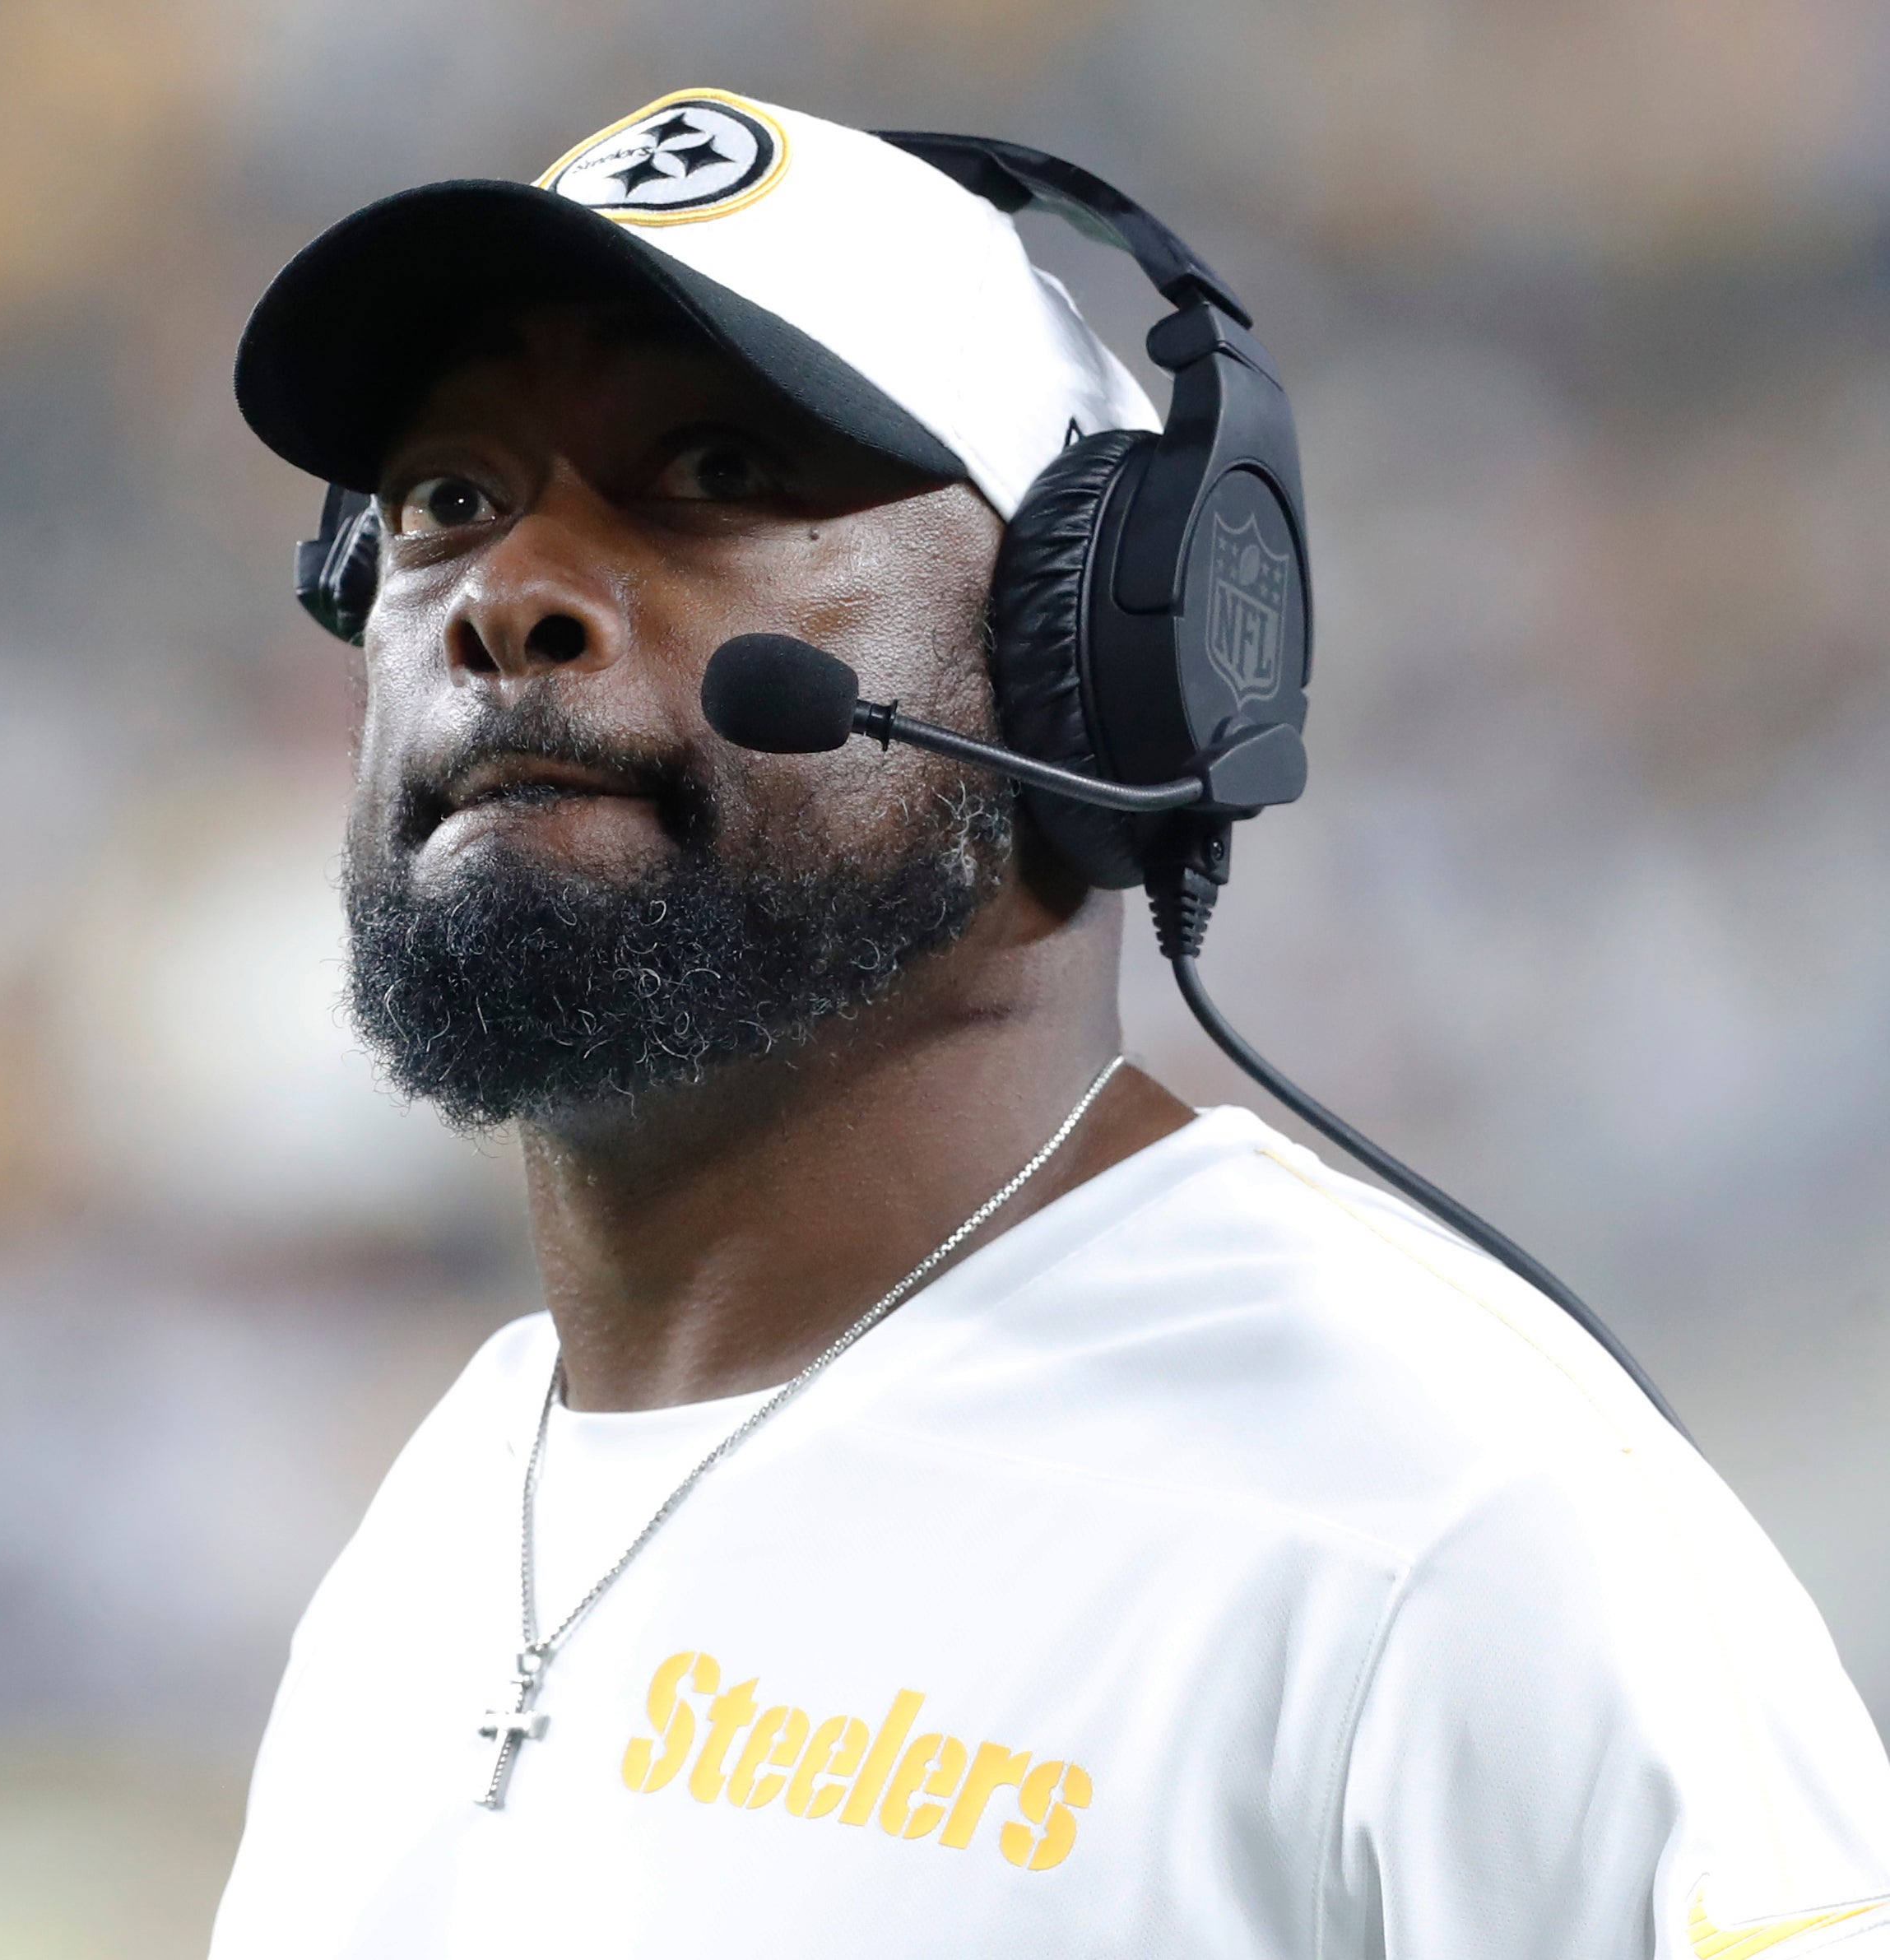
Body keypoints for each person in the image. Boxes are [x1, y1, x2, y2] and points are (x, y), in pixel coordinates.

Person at [210, 89, 1890, 1958]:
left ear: (1096, 661)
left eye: (712, 470)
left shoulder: (1441, 1527)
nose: (508, 596)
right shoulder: (453, 1505)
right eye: (449, 500)